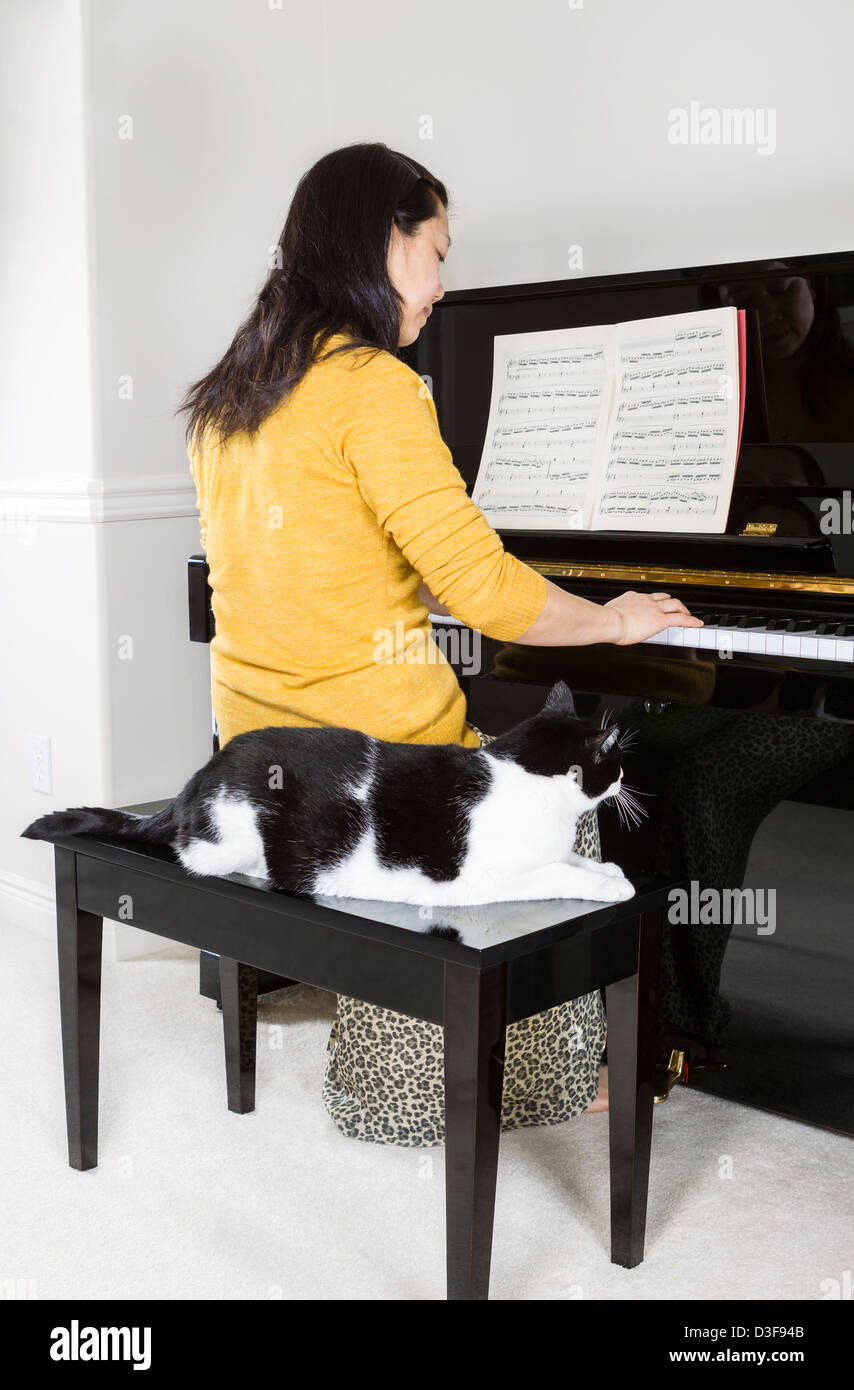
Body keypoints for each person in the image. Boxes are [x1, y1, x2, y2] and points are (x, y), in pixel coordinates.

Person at [179, 142, 700, 1145]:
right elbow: (486, 591)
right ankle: (505, 1079)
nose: (443, 285)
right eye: (437, 253)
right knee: (558, 779)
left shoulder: (231, 395)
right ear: (385, 243)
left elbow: (306, 567)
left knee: (510, 725)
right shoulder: (373, 382)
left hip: (261, 752)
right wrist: (613, 617)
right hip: (368, 769)